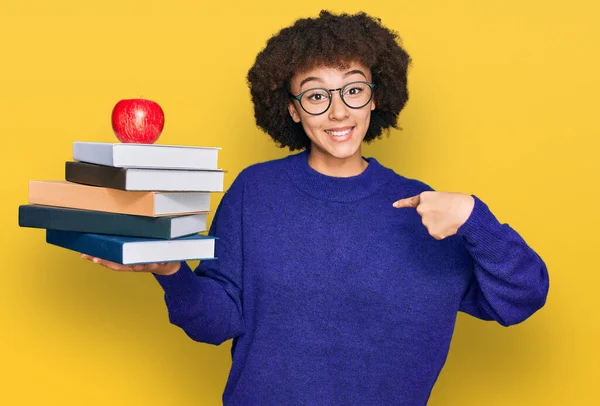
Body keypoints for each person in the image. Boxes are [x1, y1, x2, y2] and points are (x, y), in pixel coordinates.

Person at [81, 10, 549, 405]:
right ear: (292, 110)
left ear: (375, 97)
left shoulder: (426, 209)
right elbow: (217, 323)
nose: (339, 112)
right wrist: (171, 271)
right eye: (316, 94)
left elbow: (522, 298)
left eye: (353, 89)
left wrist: (474, 217)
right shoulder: (255, 193)